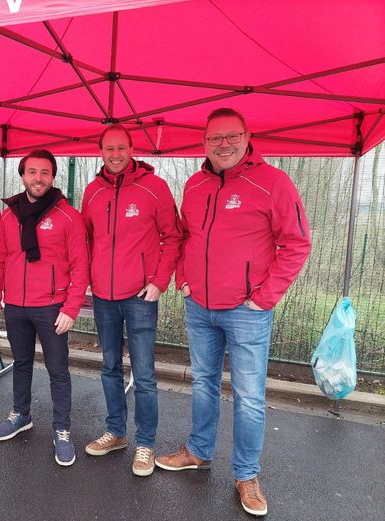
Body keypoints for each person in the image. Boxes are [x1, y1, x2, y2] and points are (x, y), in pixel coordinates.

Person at [154, 108, 311, 517]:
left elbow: (296, 244)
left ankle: (245, 474)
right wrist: (184, 280)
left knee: (248, 398)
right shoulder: (194, 184)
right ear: (204, 143)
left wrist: (264, 298)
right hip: (199, 306)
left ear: (247, 136)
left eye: (231, 136)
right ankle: (200, 451)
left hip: (247, 312)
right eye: (214, 138)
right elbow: (185, 236)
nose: (223, 144)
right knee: (203, 383)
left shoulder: (273, 183)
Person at [81, 124, 182, 477]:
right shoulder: (92, 192)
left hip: (141, 296)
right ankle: (117, 432)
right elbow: (87, 240)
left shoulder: (155, 188)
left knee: (144, 375)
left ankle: (146, 443)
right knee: (109, 367)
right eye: (108, 149)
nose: (115, 154)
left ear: (131, 148)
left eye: (121, 147)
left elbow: (173, 237)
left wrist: (159, 282)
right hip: (104, 298)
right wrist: (91, 280)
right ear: (101, 152)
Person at [0, 149, 89, 466]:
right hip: (16, 306)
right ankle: (21, 414)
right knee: (21, 363)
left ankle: (62, 430)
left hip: (52, 308)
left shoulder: (68, 216)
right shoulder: (9, 216)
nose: (38, 178)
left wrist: (71, 308)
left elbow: (81, 266)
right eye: (32, 172)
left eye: (45, 172)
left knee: (58, 371)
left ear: (53, 177)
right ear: (23, 176)